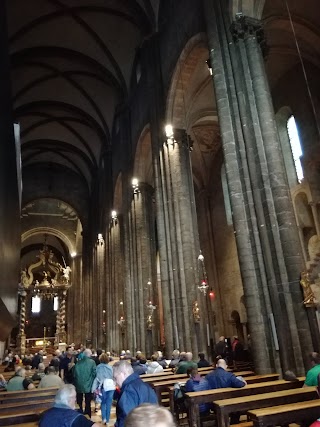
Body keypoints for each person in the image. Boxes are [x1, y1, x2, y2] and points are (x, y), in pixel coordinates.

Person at [113, 360, 158, 427]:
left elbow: (127, 420)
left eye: (115, 378)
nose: (115, 382)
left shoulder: (128, 391)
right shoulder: (146, 385)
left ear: (122, 374)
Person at [91, 353, 115, 425]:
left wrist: (93, 388)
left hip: (103, 386)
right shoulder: (110, 367)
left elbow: (97, 378)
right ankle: (107, 420)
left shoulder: (98, 367)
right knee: (109, 403)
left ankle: (104, 418)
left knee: (103, 403)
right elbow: (112, 376)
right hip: (110, 386)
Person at [74, 348, 96, 417]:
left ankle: (79, 414)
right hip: (88, 384)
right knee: (88, 402)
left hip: (79, 384)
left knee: (79, 401)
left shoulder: (78, 362)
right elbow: (94, 373)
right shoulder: (92, 362)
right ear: (89, 354)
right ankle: (88, 415)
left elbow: (74, 374)